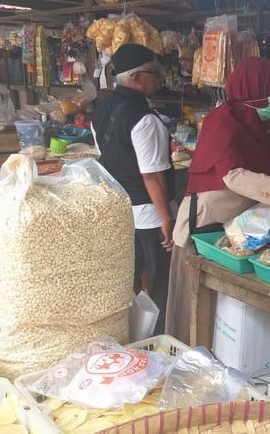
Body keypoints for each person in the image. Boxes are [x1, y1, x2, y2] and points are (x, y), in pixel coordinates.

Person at [166, 57, 270, 343]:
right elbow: (233, 176)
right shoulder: (223, 121)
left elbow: (258, 178)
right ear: (257, 90)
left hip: (239, 230)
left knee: (223, 318)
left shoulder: (259, 124)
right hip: (204, 227)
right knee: (193, 312)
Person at [91, 43, 174, 334]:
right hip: (148, 214)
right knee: (159, 281)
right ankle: (156, 338)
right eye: (155, 74)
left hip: (118, 208)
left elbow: (105, 151)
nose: (159, 80)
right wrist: (167, 219)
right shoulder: (145, 119)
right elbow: (152, 176)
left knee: (129, 278)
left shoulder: (102, 108)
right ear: (138, 78)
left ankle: (128, 333)